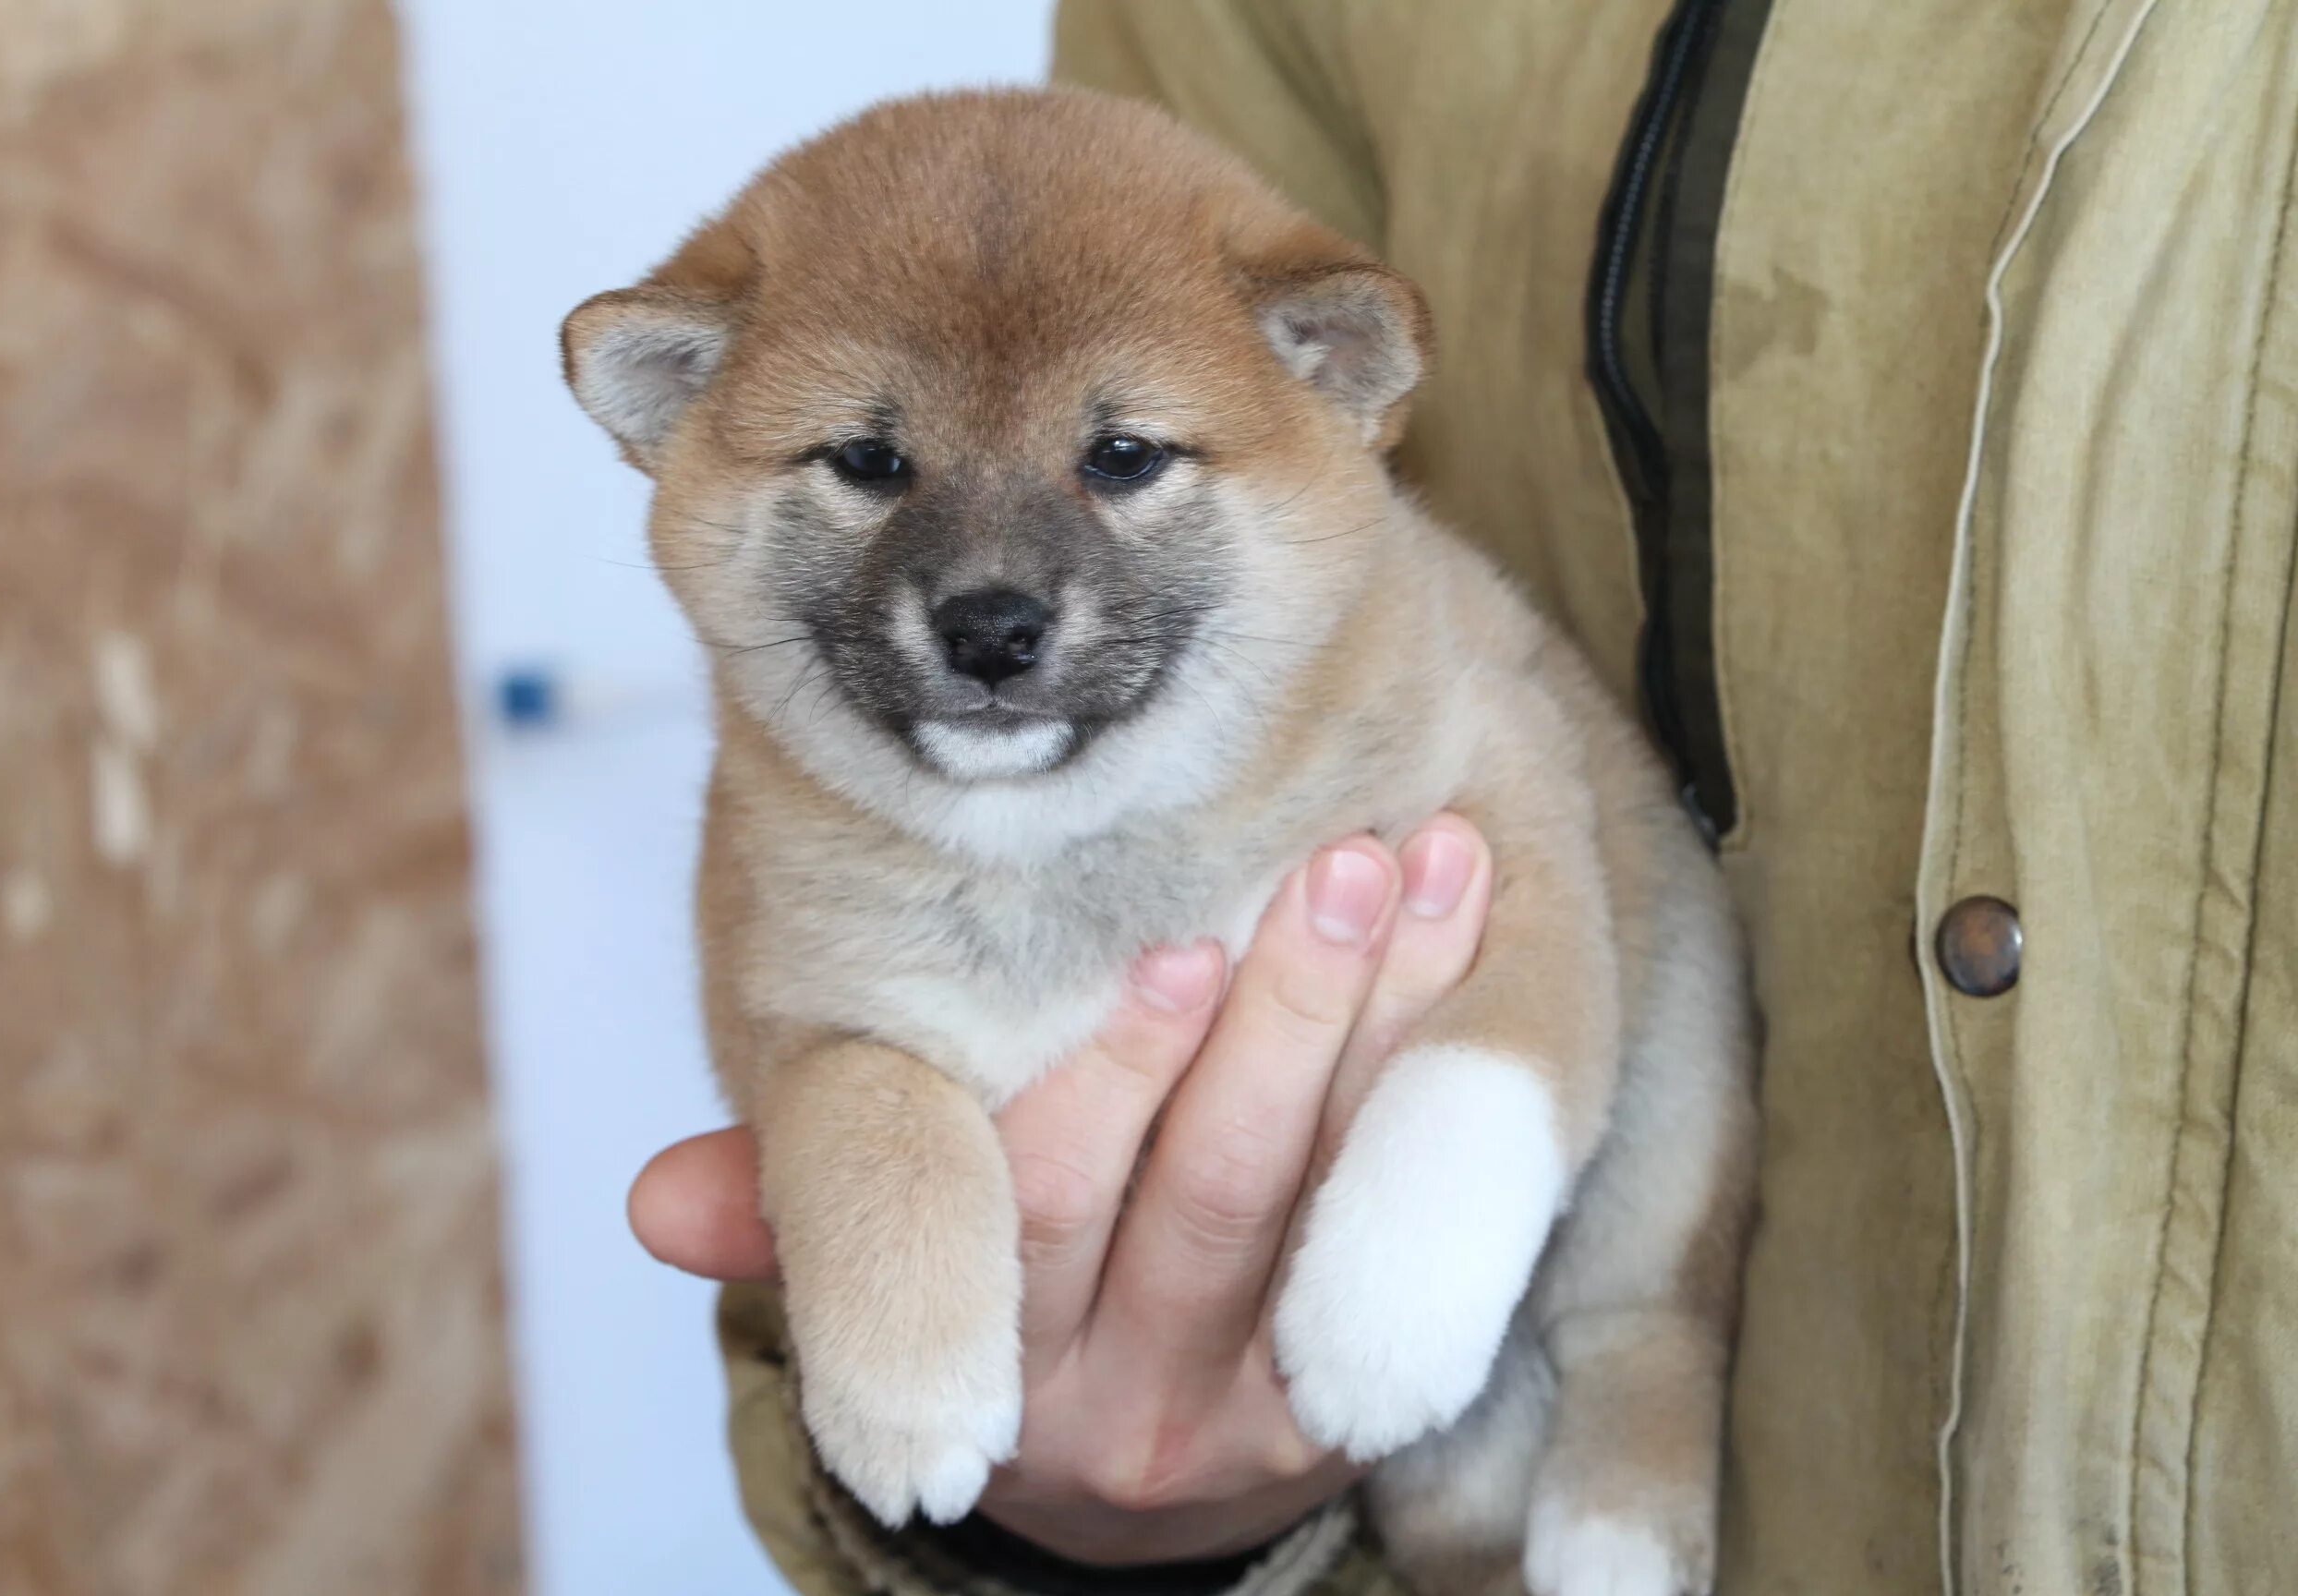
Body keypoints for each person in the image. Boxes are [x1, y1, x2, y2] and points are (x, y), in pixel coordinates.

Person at [627, 3, 2298, 1592]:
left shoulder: (1396, 676)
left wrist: (1466, 1191)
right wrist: (1030, 1512)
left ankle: (1631, 1374)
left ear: (1338, 369)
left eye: (1120, 459)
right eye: (869, 462)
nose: (989, 588)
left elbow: (1534, 863)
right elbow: (820, 1066)